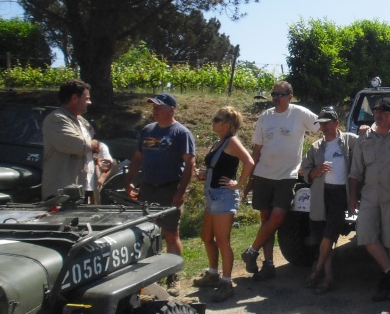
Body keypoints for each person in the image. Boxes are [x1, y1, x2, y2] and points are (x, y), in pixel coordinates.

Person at [241, 81, 318, 280]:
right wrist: (251, 178)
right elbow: (256, 149)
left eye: (280, 94)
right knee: (266, 220)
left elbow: (322, 127)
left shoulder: (300, 113)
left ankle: (251, 250)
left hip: (287, 175)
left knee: (278, 217)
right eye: (274, 94)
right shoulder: (265, 116)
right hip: (263, 174)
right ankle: (268, 265)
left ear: (290, 96)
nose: (276, 97)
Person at [126, 92, 196, 296]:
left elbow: (189, 163)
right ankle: (148, 277)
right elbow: (138, 157)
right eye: (153, 107)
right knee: (147, 233)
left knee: (170, 233)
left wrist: (180, 192)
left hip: (169, 188)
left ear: (171, 109)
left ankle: (173, 278)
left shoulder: (181, 133)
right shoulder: (148, 130)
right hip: (148, 188)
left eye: (158, 106)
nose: (154, 109)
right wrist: (129, 181)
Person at [192, 106, 254, 302]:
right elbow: (217, 166)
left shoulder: (232, 141)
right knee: (206, 236)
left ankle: (226, 283)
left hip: (223, 197)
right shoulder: (219, 142)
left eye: (217, 119)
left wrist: (238, 184)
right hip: (213, 195)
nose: (213, 121)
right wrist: (205, 174)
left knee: (222, 240)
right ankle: (213, 274)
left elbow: (249, 162)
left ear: (227, 125)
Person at [348, 98, 390, 301]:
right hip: (370, 195)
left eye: (384, 112)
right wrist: (353, 196)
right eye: (376, 112)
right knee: (365, 234)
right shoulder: (364, 136)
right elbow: (356, 170)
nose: (379, 115)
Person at [302, 107, 357, 294]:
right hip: (320, 194)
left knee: (329, 235)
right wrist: (316, 170)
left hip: (340, 194)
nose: (323, 127)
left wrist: (367, 131)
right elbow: (305, 172)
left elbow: (367, 149)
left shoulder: (350, 140)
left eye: (327, 123)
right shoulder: (316, 147)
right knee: (322, 237)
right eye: (321, 124)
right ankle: (328, 277)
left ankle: (317, 270)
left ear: (336, 123)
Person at [42, 79, 99, 200]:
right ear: (74, 98)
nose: (89, 102)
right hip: (63, 194)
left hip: (84, 190)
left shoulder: (82, 121)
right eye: (87, 98)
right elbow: (79, 146)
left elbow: (88, 147)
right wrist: (94, 144)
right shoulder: (56, 119)